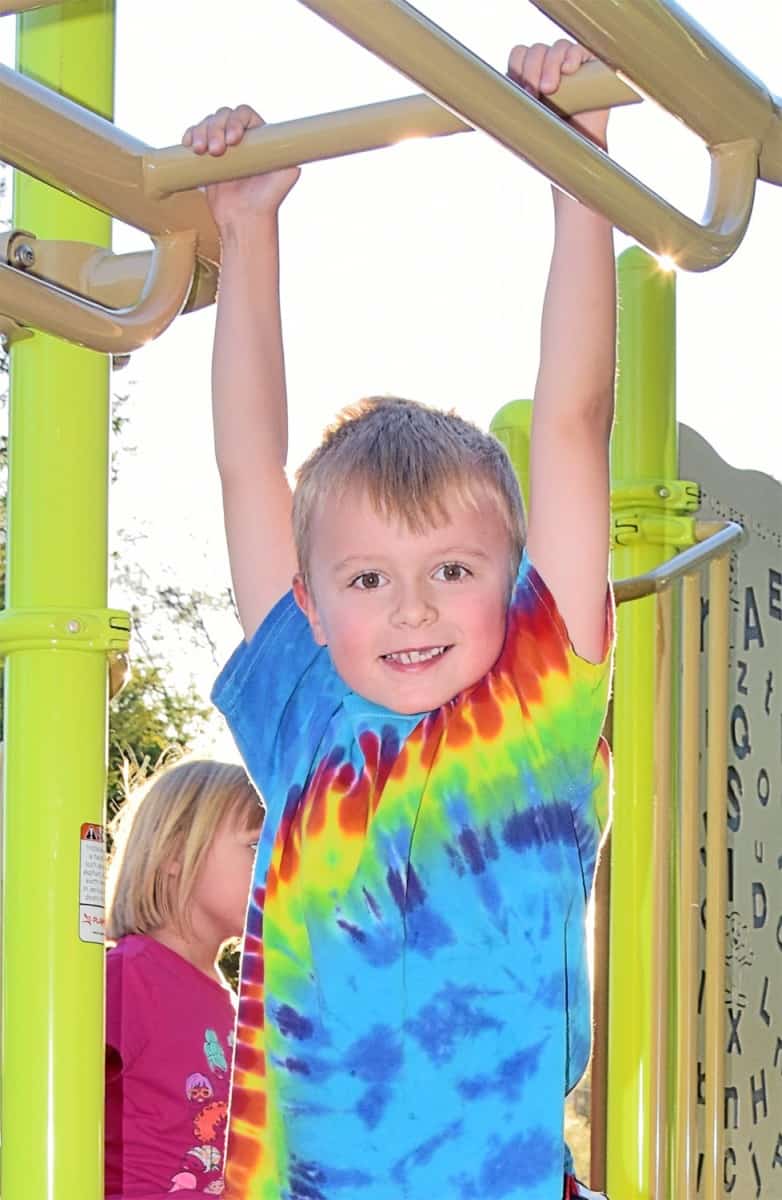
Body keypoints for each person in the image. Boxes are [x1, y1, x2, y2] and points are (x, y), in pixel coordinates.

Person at [186, 38, 616, 1200]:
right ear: (313, 607)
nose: (413, 605)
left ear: (514, 578)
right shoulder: (304, 716)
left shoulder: (534, 698)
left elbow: (572, 422)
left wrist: (581, 183)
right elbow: (248, 470)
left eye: (453, 570)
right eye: (368, 579)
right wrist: (245, 230)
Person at [105, 758, 264, 1197]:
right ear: (176, 852)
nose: (275, 864)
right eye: (255, 846)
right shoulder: (128, 977)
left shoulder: (231, 1001)